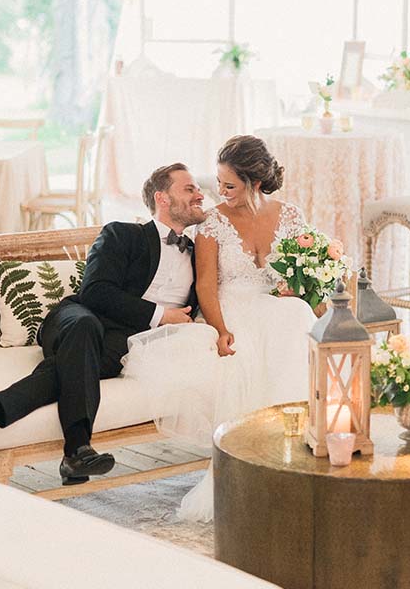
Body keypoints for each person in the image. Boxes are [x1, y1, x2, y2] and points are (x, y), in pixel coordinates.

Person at [0, 164, 206, 485]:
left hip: (125, 344)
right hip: (76, 319)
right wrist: (162, 315)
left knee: (78, 365)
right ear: (162, 198)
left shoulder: (199, 253)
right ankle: (77, 447)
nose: (200, 194)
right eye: (189, 189)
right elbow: (95, 292)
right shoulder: (122, 234)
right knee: (85, 329)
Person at [124, 134, 321, 522]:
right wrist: (219, 329)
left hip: (274, 306)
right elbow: (205, 286)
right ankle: (253, 472)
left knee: (297, 315)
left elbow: (302, 278)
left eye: (229, 185)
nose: (220, 192)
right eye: (218, 183)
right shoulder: (214, 222)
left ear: (256, 182)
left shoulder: (292, 216)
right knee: (262, 343)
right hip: (230, 308)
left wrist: (295, 289)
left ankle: (296, 460)